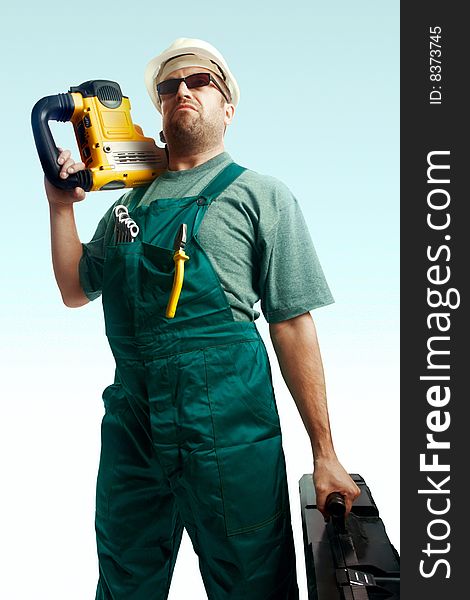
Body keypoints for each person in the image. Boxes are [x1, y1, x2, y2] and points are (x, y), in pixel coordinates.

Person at [45, 38, 360, 600]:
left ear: (228, 105)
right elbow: (75, 288)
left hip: (228, 427)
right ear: (159, 111)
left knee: (251, 582)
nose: (181, 91)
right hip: (133, 426)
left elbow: (292, 324)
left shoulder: (261, 195)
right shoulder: (125, 206)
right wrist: (61, 206)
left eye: (199, 81)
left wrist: (325, 453)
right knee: (124, 580)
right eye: (168, 87)